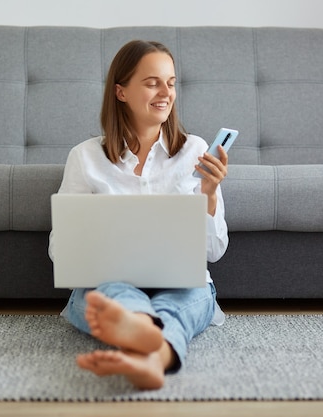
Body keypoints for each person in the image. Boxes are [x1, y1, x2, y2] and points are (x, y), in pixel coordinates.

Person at [48, 40, 229, 390]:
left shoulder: (195, 151)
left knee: (187, 298)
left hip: (182, 284)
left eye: (171, 83)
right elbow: (61, 252)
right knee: (110, 294)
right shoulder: (85, 157)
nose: (166, 92)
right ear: (121, 92)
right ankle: (149, 343)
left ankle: (143, 339)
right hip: (110, 284)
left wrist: (208, 193)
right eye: (152, 82)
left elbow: (213, 252)